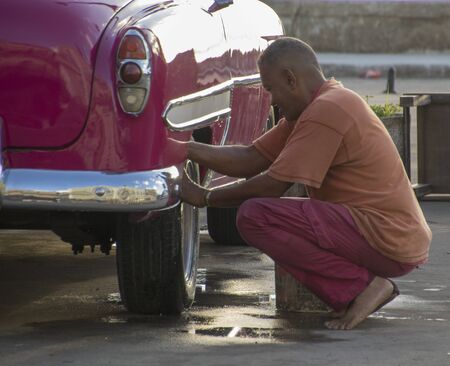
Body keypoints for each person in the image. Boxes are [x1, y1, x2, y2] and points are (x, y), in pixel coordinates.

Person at [179, 37, 432, 330]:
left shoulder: (328, 110)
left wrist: (205, 197)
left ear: (290, 79)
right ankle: (359, 289)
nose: (272, 100)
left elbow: (272, 186)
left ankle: (362, 288)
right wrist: (186, 148)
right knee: (258, 214)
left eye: (271, 89)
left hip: (389, 237)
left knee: (255, 216)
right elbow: (250, 157)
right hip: (381, 233)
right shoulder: (313, 107)